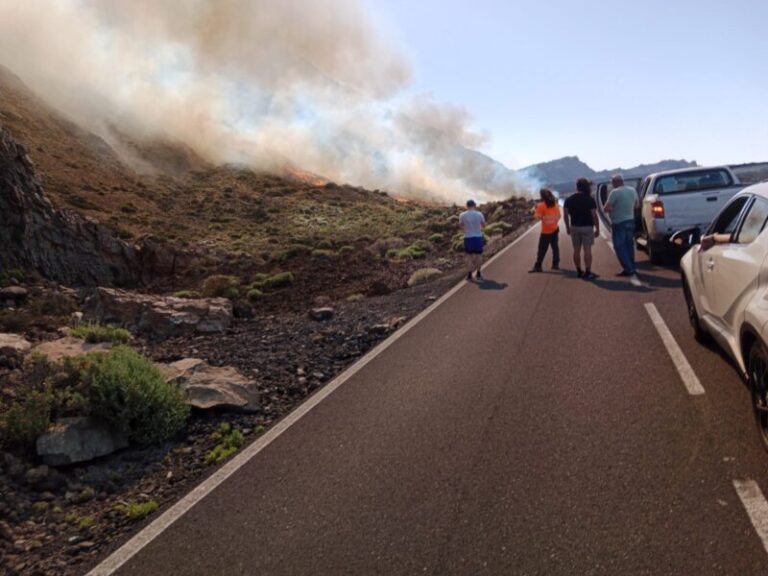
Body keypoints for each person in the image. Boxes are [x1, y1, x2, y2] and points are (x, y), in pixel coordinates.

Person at [563, 177, 600, 279]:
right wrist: (597, 229)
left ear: (577, 187)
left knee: (576, 250)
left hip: (574, 227)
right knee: (587, 250)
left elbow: (565, 215)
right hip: (587, 227)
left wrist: (567, 227)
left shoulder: (569, 200)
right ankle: (588, 272)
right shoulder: (589, 199)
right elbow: (594, 216)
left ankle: (579, 271)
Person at [604, 174, 640, 276]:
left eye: (612, 183)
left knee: (619, 247)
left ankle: (629, 269)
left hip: (619, 223)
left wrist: (615, 209)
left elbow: (606, 208)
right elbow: (637, 205)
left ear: (615, 182)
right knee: (629, 246)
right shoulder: (632, 190)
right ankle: (632, 267)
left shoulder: (615, 192)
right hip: (630, 221)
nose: (612, 185)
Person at [529, 187, 561, 272]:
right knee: (555, 247)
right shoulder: (555, 205)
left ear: (542, 196)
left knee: (542, 249)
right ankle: (555, 264)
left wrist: (535, 209)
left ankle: (538, 266)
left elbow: (537, 217)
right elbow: (558, 216)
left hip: (546, 231)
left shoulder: (541, 206)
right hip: (555, 229)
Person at [459, 199, 486, 281]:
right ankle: (478, 273)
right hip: (478, 237)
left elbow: (460, 226)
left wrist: (467, 228)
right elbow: (484, 225)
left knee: (469, 256)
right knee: (479, 256)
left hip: (468, 237)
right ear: (474, 205)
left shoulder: (462, 215)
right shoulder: (479, 214)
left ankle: (470, 274)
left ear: (467, 206)